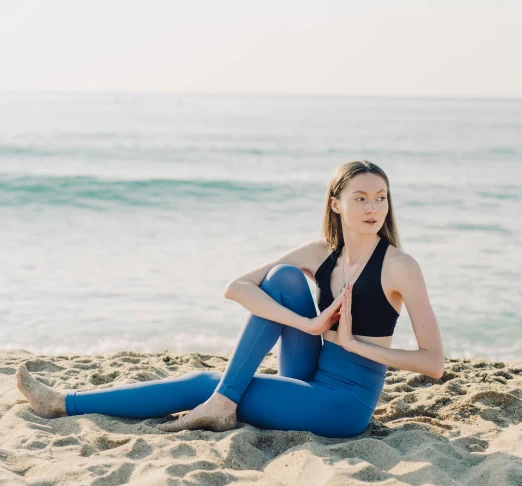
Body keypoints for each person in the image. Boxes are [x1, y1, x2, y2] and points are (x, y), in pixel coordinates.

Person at [16, 160, 445, 438]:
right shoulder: (321, 253)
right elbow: (237, 288)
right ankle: (226, 397)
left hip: (344, 403)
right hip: (308, 369)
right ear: (335, 204)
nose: (374, 208)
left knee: (208, 384)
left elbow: (434, 363)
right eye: (361, 198)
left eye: (381, 198)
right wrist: (308, 325)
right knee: (282, 278)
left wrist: (356, 345)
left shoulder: (399, 266)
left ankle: (65, 404)